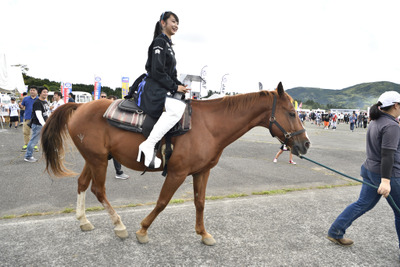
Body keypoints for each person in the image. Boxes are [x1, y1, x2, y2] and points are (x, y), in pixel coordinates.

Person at [327, 91, 400, 252]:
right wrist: (386, 181)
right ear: (395, 105)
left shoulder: (376, 120)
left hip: (369, 169)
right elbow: (388, 154)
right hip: (387, 174)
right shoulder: (391, 125)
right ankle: (335, 231)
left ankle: (335, 231)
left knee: (362, 204)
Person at [135, 11, 190, 168]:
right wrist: (174, 87)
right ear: (163, 23)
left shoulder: (168, 45)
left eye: (177, 23)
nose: (176, 25)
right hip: (153, 89)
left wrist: (180, 86)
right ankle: (148, 145)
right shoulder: (159, 42)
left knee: (183, 102)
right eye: (173, 21)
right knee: (175, 110)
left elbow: (171, 74)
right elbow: (158, 71)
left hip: (162, 87)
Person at [105, 94, 130, 179]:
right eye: (110, 101)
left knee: (115, 155)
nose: (111, 103)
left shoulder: (116, 113)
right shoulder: (103, 113)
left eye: (112, 102)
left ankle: (119, 172)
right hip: (104, 140)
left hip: (111, 140)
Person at [24, 87, 50, 162]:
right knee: (34, 141)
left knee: (48, 139)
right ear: (40, 93)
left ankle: (49, 154)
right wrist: (44, 125)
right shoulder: (37, 103)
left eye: (46, 92)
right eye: (44, 92)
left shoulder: (45, 102)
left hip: (44, 124)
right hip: (38, 125)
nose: (46, 94)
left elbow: (46, 113)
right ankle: (28, 156)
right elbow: (39, 115)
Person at [20, 86, 38, 152]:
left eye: (33, 90)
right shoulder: (25, 99)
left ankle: (34, 145)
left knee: (35, 133)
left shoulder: (39, 99)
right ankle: (26, 144)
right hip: (27, 118)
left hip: (36, 119)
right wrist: (20, 106)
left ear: (36, 91)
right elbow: (22, 107)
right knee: (26, 132)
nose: (32, 91)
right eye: (31, 90)